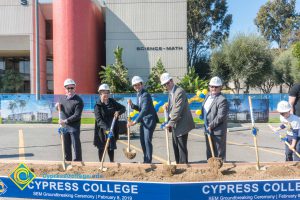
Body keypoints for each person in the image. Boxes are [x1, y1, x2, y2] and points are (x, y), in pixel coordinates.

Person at [160, 73, 194, 164]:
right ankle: (178, 163)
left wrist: (169, 123)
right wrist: (168, 107)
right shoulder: (171, 92)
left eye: (167, 83)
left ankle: (183, 166)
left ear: (171, 81)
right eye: (164, 84)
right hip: (175, 124)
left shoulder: (179, 91)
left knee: (181, 147)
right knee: (175, 145)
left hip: (182, 124)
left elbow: (177, 110)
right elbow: (173, 107)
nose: (166, 86)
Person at [127, 76, 159, 163]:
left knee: (147, 141)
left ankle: (148, 161)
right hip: (144, 121)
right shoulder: (139, 94)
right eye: (135, 85)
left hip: (149, 121)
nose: (136, 87)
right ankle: (146, 159)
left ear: (142, 84)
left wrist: (134, 121)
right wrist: (132, 105)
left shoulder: (145, 95)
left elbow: (144, 110)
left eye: (138, 85)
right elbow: (140, 108)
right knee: (142, 141)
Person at [93, 84, 125, 162]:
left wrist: (118, 112)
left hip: (112, 128)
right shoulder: (97, 106)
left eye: (107, 93)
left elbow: (123, 108)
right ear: (100, 93)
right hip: (102, 130)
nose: (106, 95)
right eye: (104, 93)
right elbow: (99, 120)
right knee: (101, 147)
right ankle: (101, 163)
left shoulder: (112, 102)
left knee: (110, 147)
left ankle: (111, 162)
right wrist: (107, 130)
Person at [57, 78, 84, 161]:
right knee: (66, 146)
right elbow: (60, 109)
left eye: (72, 88)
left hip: (74, 127)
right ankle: (68, 161)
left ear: (75, 88)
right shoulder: (61, 99)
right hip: (64, 127)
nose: (70, 90)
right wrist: (57, 106)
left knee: (76, 145)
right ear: (65, 89)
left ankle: (78, 161)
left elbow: (77, 115)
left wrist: (64, 121)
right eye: (68, 88)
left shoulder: (78, 101)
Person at [201, 76, 228, 161]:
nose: (214, 88)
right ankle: (211, 169)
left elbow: (220, 116)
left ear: (220, 87)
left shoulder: (222, 100)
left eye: (216, 87)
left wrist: (211, 125)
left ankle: (221, 170)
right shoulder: (207, 95)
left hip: (217, 131)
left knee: (218, 153)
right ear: (209, 87)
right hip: (207, 128)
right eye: (212, 86)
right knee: (209, 152)